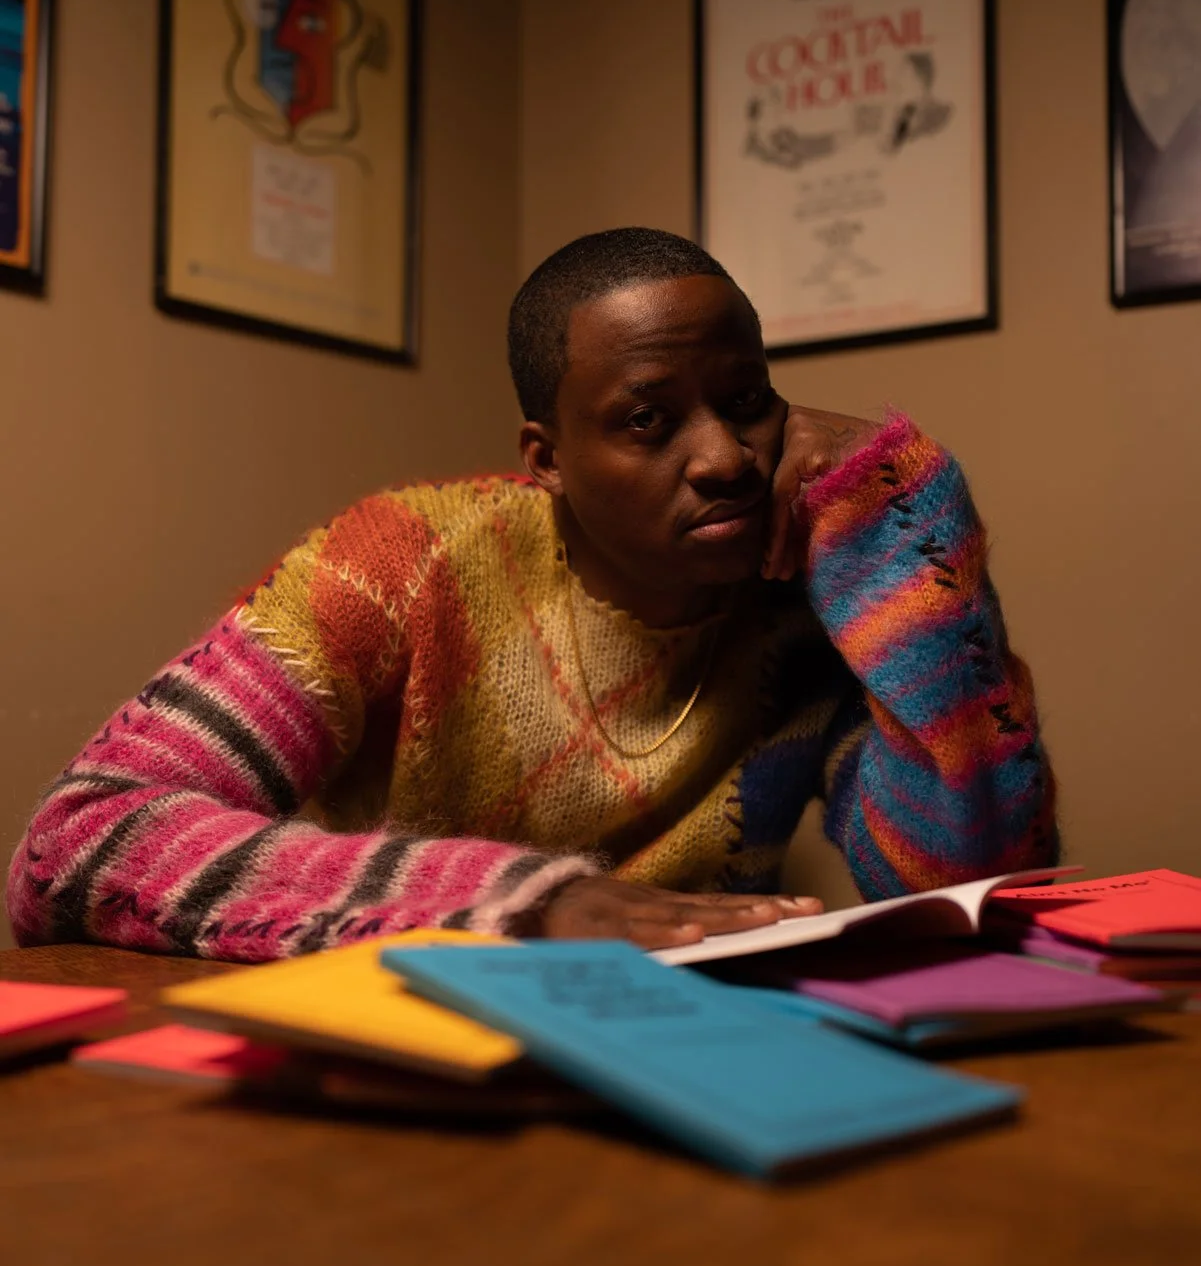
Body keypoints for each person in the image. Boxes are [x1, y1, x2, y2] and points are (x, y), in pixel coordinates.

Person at [7, 229, 1057, 961]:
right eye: (648, 420)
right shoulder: (397, 565)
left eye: (747, 401)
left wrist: (905, 518)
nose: (726, 457)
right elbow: (76, 842)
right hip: (414, 1052)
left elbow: (969, 881)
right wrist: (517, 902)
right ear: (546, 459)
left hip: (697, 1048)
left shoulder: (817, 587)